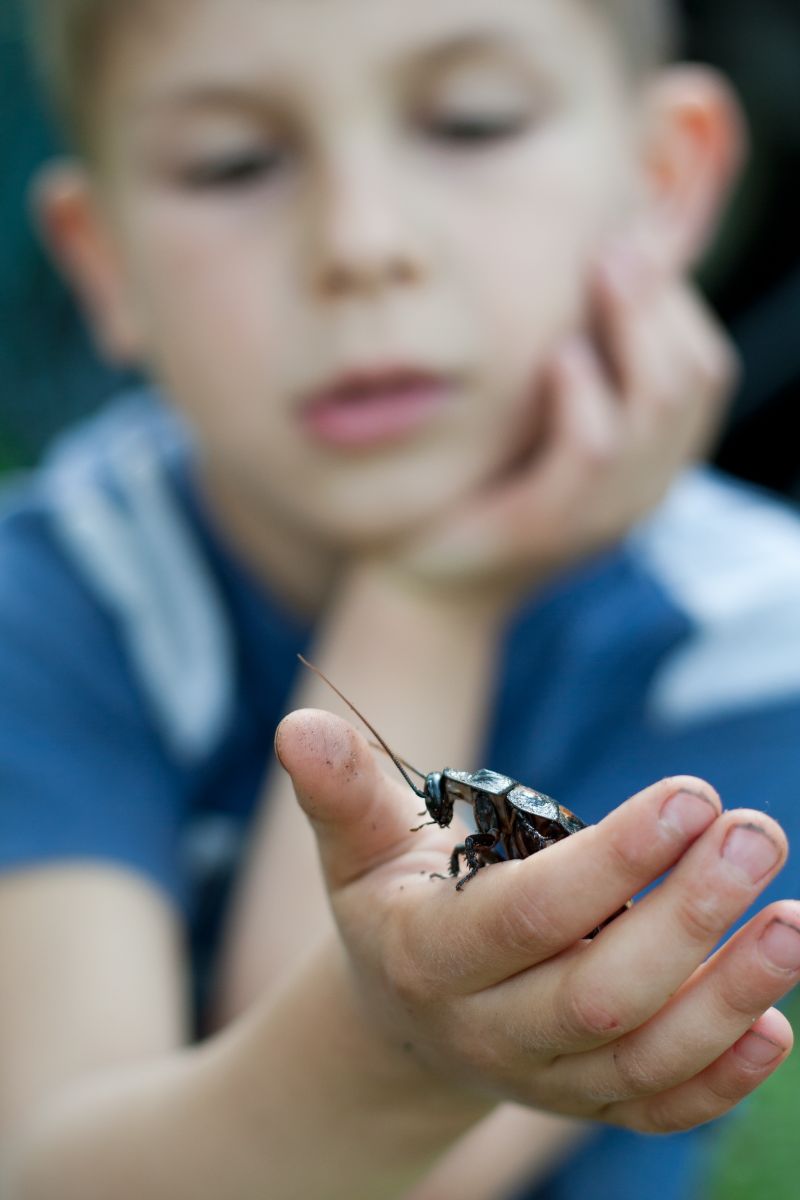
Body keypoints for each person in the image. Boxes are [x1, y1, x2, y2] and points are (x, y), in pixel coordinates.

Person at [2, 1, 800, 1197]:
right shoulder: (54, 601)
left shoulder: (756, 635)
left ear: (662, 182)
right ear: (102, 261)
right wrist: (426, 590)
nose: (361, 244)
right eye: (233, 162)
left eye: (470, 124)